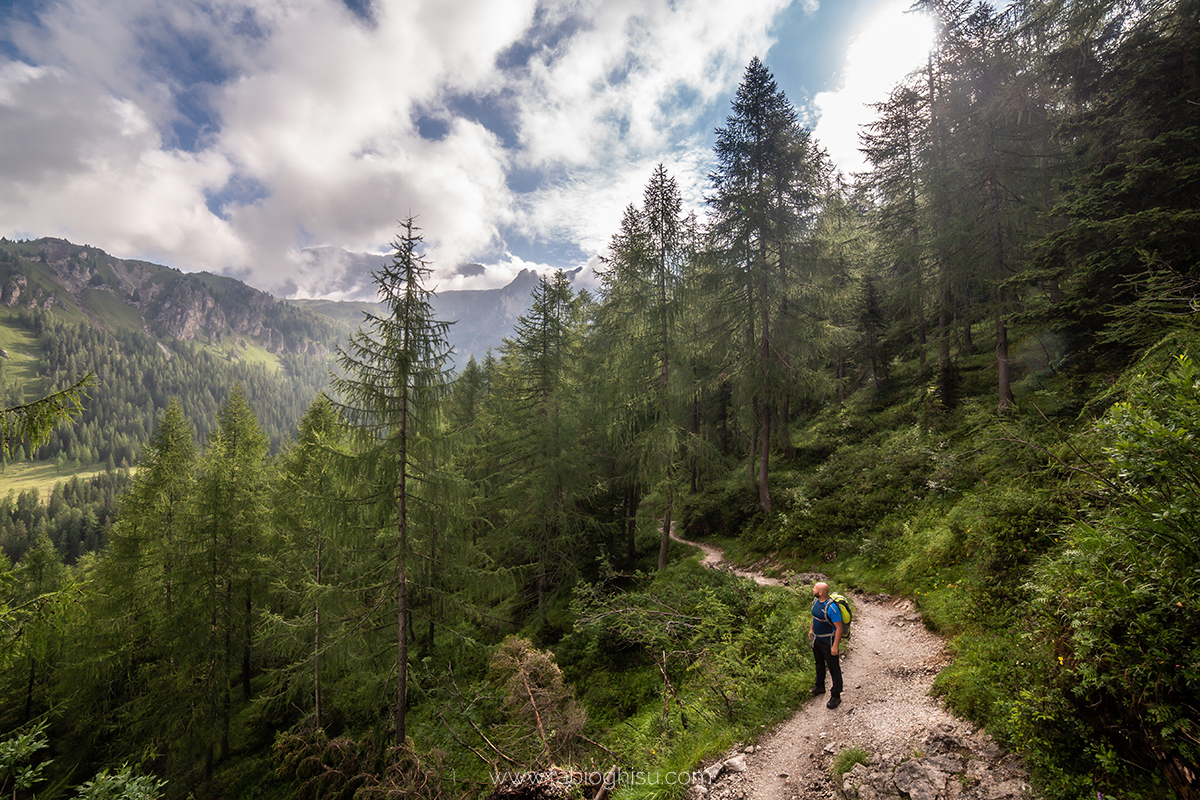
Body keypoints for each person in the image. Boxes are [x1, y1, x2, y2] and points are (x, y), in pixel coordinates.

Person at [809, 581, 844, 709]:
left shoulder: (832, 608)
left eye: (815, 588)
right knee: (819, 664)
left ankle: (836, 695)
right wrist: (812, 629)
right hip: (817, 639)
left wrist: (835, 646)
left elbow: (839, 628)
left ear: (820, 592)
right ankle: (820, 686)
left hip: (828, 641)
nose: (813, 589)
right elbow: (815, 616)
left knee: (833, 667)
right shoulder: (816, 602)